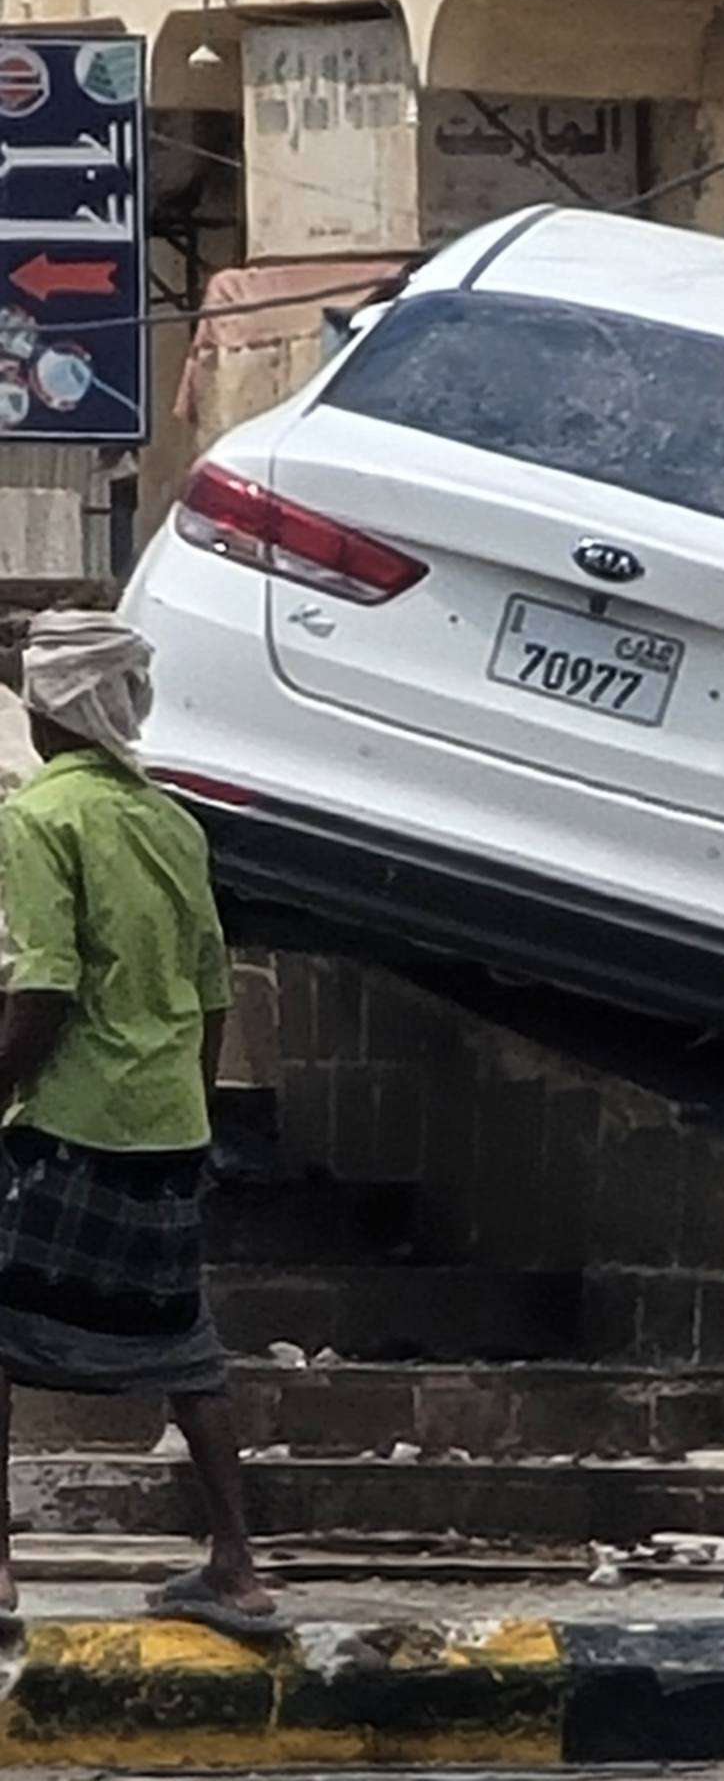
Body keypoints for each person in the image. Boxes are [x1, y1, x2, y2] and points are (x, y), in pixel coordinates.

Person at [0, 610, 277, 1634]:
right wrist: (191, 1116)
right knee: (185, 1351)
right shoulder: (174, 823)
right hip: (166, 1127)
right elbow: (211, 995)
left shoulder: (38, 817)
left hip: (69, 1116)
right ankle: (237, 1566)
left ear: (50, 707)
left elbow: (46, 985)